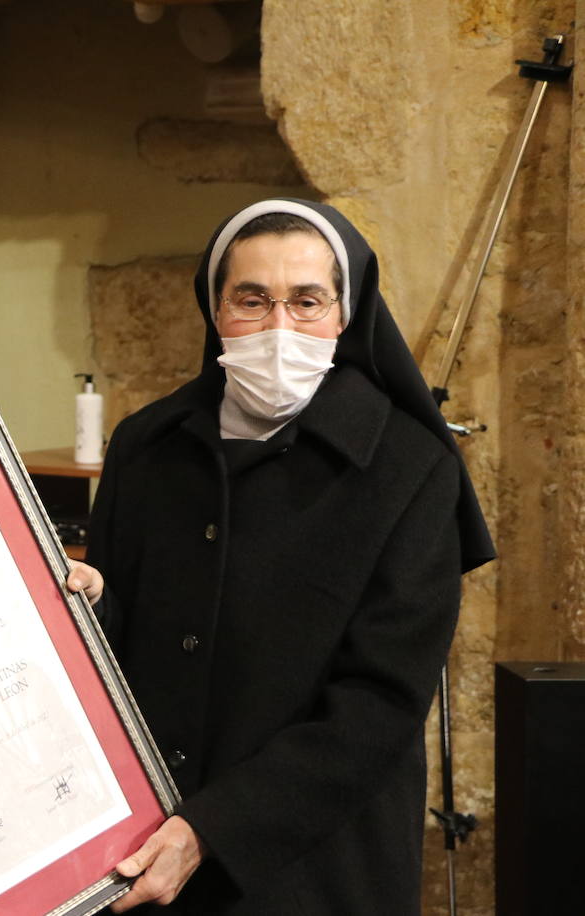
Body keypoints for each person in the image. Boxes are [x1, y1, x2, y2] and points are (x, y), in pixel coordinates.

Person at [86, 199, 494, 914]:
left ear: (345, 313)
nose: (279, 327)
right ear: (217, 311)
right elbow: (128, 634)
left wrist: (210, 828)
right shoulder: (144, 445)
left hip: (316, 870)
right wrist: (90, 607)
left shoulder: (410, 466)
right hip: (144, 856)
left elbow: (378, 704)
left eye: (306, 301)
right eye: (252, 300)